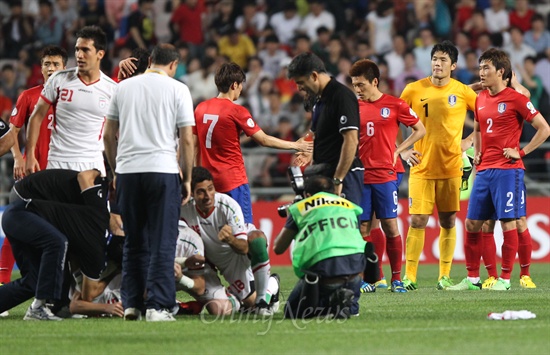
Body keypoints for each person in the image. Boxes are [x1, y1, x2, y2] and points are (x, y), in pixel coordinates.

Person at [104, 43, 195, 322]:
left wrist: (116, 169)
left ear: (151, 60)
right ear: (173, 64)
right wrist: (188, 177)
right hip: (162, 171)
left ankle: (131, 305)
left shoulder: (124, 88)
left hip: (129, 173)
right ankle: (158, 306)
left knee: (133, 241)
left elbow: (108, 135)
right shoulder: (178, 89)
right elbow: (188, 139)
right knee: (162, 242)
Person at [448, 48, 550, 291]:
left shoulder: (516, 98)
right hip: (484, 170)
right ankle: (473, 279)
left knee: (509, 223)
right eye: (480, 68)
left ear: (501, 72)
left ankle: (505, 279)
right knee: (473, 224)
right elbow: (480, 129)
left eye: (486, 69)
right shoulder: (481, 98)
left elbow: (544, 128)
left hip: (507, 170)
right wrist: (478, 151)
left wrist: (522, 152)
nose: (481, 73)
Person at [399, 41, 478, 290]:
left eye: (443, 59)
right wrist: (403, 150)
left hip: (451, 167)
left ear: (453, 65)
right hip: (421, 167)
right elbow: (393, 120)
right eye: (435, 58)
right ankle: (409, 275)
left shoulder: (463, 91)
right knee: (417, 220)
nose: (437, 63)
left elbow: (487, 117)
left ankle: (444, 276)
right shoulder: (413, 89)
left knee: (448, 220)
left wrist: (469, 140)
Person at [193, 62, 311, 223]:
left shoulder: (200, 108)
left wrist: (195, 176)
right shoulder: (236, 111)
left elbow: (194, 144)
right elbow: (263, 139)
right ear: (234, 84)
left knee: (215, 231)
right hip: (233, 182)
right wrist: (295, 145)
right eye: (240, 85)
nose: (241, 89)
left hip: (209, 184)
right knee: (244, 231)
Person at [349, 59, 426, 293]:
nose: (357, 90)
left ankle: (396, 280)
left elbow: (420, 129)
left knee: (390, 226)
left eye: (361, 85)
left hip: (385, 175)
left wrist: (399, 150)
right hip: (361, 177)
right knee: (362, 229)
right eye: (354, 85)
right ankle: (367, 278)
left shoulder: (395, 105)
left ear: (375, 81)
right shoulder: (353, 108)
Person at [0, 169, 109, 320]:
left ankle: (57, 306)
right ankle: (39, 308)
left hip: (20, 212)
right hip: (24, 207)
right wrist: (99, 171)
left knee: (35, 281)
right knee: (58, 242)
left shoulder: (90, 220)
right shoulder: (97, 212)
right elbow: (84, 176)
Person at [180, 167, 280, 315]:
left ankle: (265, 295)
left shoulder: (228, 205)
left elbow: (244, 248)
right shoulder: (184, 209)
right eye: (201, 192)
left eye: (210, 188)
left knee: (257, 240)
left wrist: (230, 239)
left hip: (234, 257)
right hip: (208, 260)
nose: (208, 196)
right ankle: (236, 300)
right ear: (192, 194)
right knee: (219, 310)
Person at [25, 26, 117, 176]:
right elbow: (36, 117)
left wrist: (116, 171)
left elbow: (117, 132)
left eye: (85, 50)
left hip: (92, 164)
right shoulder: (59, 79)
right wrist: (30, 155)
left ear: (100, 54)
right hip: (58, 161)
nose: (79, 55)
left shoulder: (112, 89)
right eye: (77, 49)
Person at [273, 175, 367, 319]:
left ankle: (330, 304)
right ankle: (344, 304)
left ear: (307, 195)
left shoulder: (300, 208)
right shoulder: (349, 205)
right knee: (349, 308)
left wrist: (291, 217)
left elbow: (278, 248)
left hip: (324, 274)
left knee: (292, 312)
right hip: (356, 272)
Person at [288, 52, 364, 207]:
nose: (299, 88)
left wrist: (338, 178)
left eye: (301, 82)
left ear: (314, 76)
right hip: (324, 175)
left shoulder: (342, 96)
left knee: (345, 227)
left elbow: (351, 140)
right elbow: (316, 135)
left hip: (343, 175)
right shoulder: (319, 100)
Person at [173, 223, 241, 316]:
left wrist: (181, 278)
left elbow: (199, 288)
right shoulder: (149, 234)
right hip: (164, 275)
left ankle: (234, 298)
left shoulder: (191, 239)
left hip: (191, 274)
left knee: (220, 309)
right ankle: (179, 305)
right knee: (149, 301)